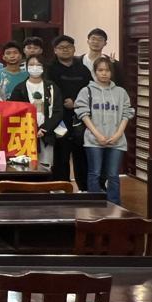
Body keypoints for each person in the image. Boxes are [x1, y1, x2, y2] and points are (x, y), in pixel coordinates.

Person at [75, 56, 134, 205]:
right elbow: (83, 114)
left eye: (107, 70)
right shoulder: (86, 91)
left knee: (113, 175)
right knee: (94, 173)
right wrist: (97, 135)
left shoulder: (120, 92)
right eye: (100, 70)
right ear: (94, 72)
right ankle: (95, 204)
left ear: (111, 72)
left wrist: (118, 134)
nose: (104, 73)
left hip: (117, 141)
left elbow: (127, 113)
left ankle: (114, 205)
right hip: (94, 140)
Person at [47, 34, 93, 189]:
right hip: (59, 119)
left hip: (81, 118)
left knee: (81, 153)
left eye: (68, 47)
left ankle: (84, 188)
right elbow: (48, 90)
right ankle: (61, 187)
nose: (65, 50)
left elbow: (90, 90)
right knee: (61, 154)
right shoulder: (50, 69)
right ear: (55, 50)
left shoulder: (83, 69)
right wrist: (63, 102)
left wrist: (76, 102)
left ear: (74, 49)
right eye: (61, 47)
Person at [10, 55, 63, 167]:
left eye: (38, 65)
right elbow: (14, 111)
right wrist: (32, 129)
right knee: (25, 167)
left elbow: (58, 111)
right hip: (25, 134)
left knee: (45, 167)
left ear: (43, 67)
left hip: (46, 134)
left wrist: (44, 128)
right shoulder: (20, 88)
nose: (35, 67)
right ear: (26, 67)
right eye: (31, 65)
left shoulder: (51, 87)